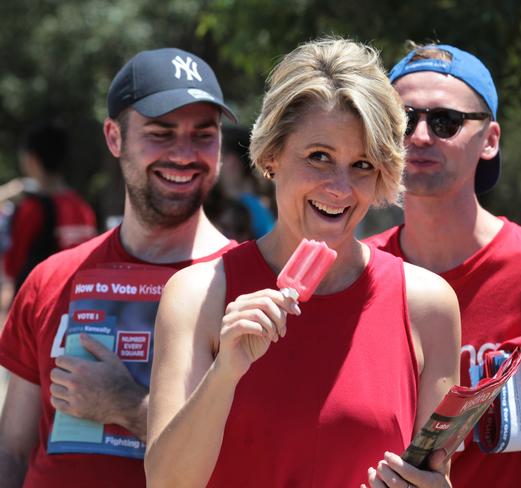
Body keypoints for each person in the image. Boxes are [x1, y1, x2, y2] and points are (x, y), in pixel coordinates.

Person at [145, 38, 461, 488]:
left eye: (363, 165)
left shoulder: (428, 307)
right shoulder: (198, 295)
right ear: (272, 155)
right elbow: (166, 483)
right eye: (319, 157)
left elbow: (431, 475)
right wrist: (225, 374)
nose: (339, 187)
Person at [365, 43, 521, 487]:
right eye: (403, 120)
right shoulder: (357, 271)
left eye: (445, 122)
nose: (420, 136)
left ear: (490, 140)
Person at [0, 47, 238, 488]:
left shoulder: (250, 286)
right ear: (114, 137)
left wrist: (128, 407)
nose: (184, 155)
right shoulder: (51, 278)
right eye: (161, 133)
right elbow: (12, 449)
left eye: (203, 135)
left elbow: (257, 457)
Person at [4, 122, 97, 295]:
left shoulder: (31, 209)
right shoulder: (83, 207)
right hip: (78, 302)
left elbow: (12, 267)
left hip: (40, 306)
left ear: (31, 159)